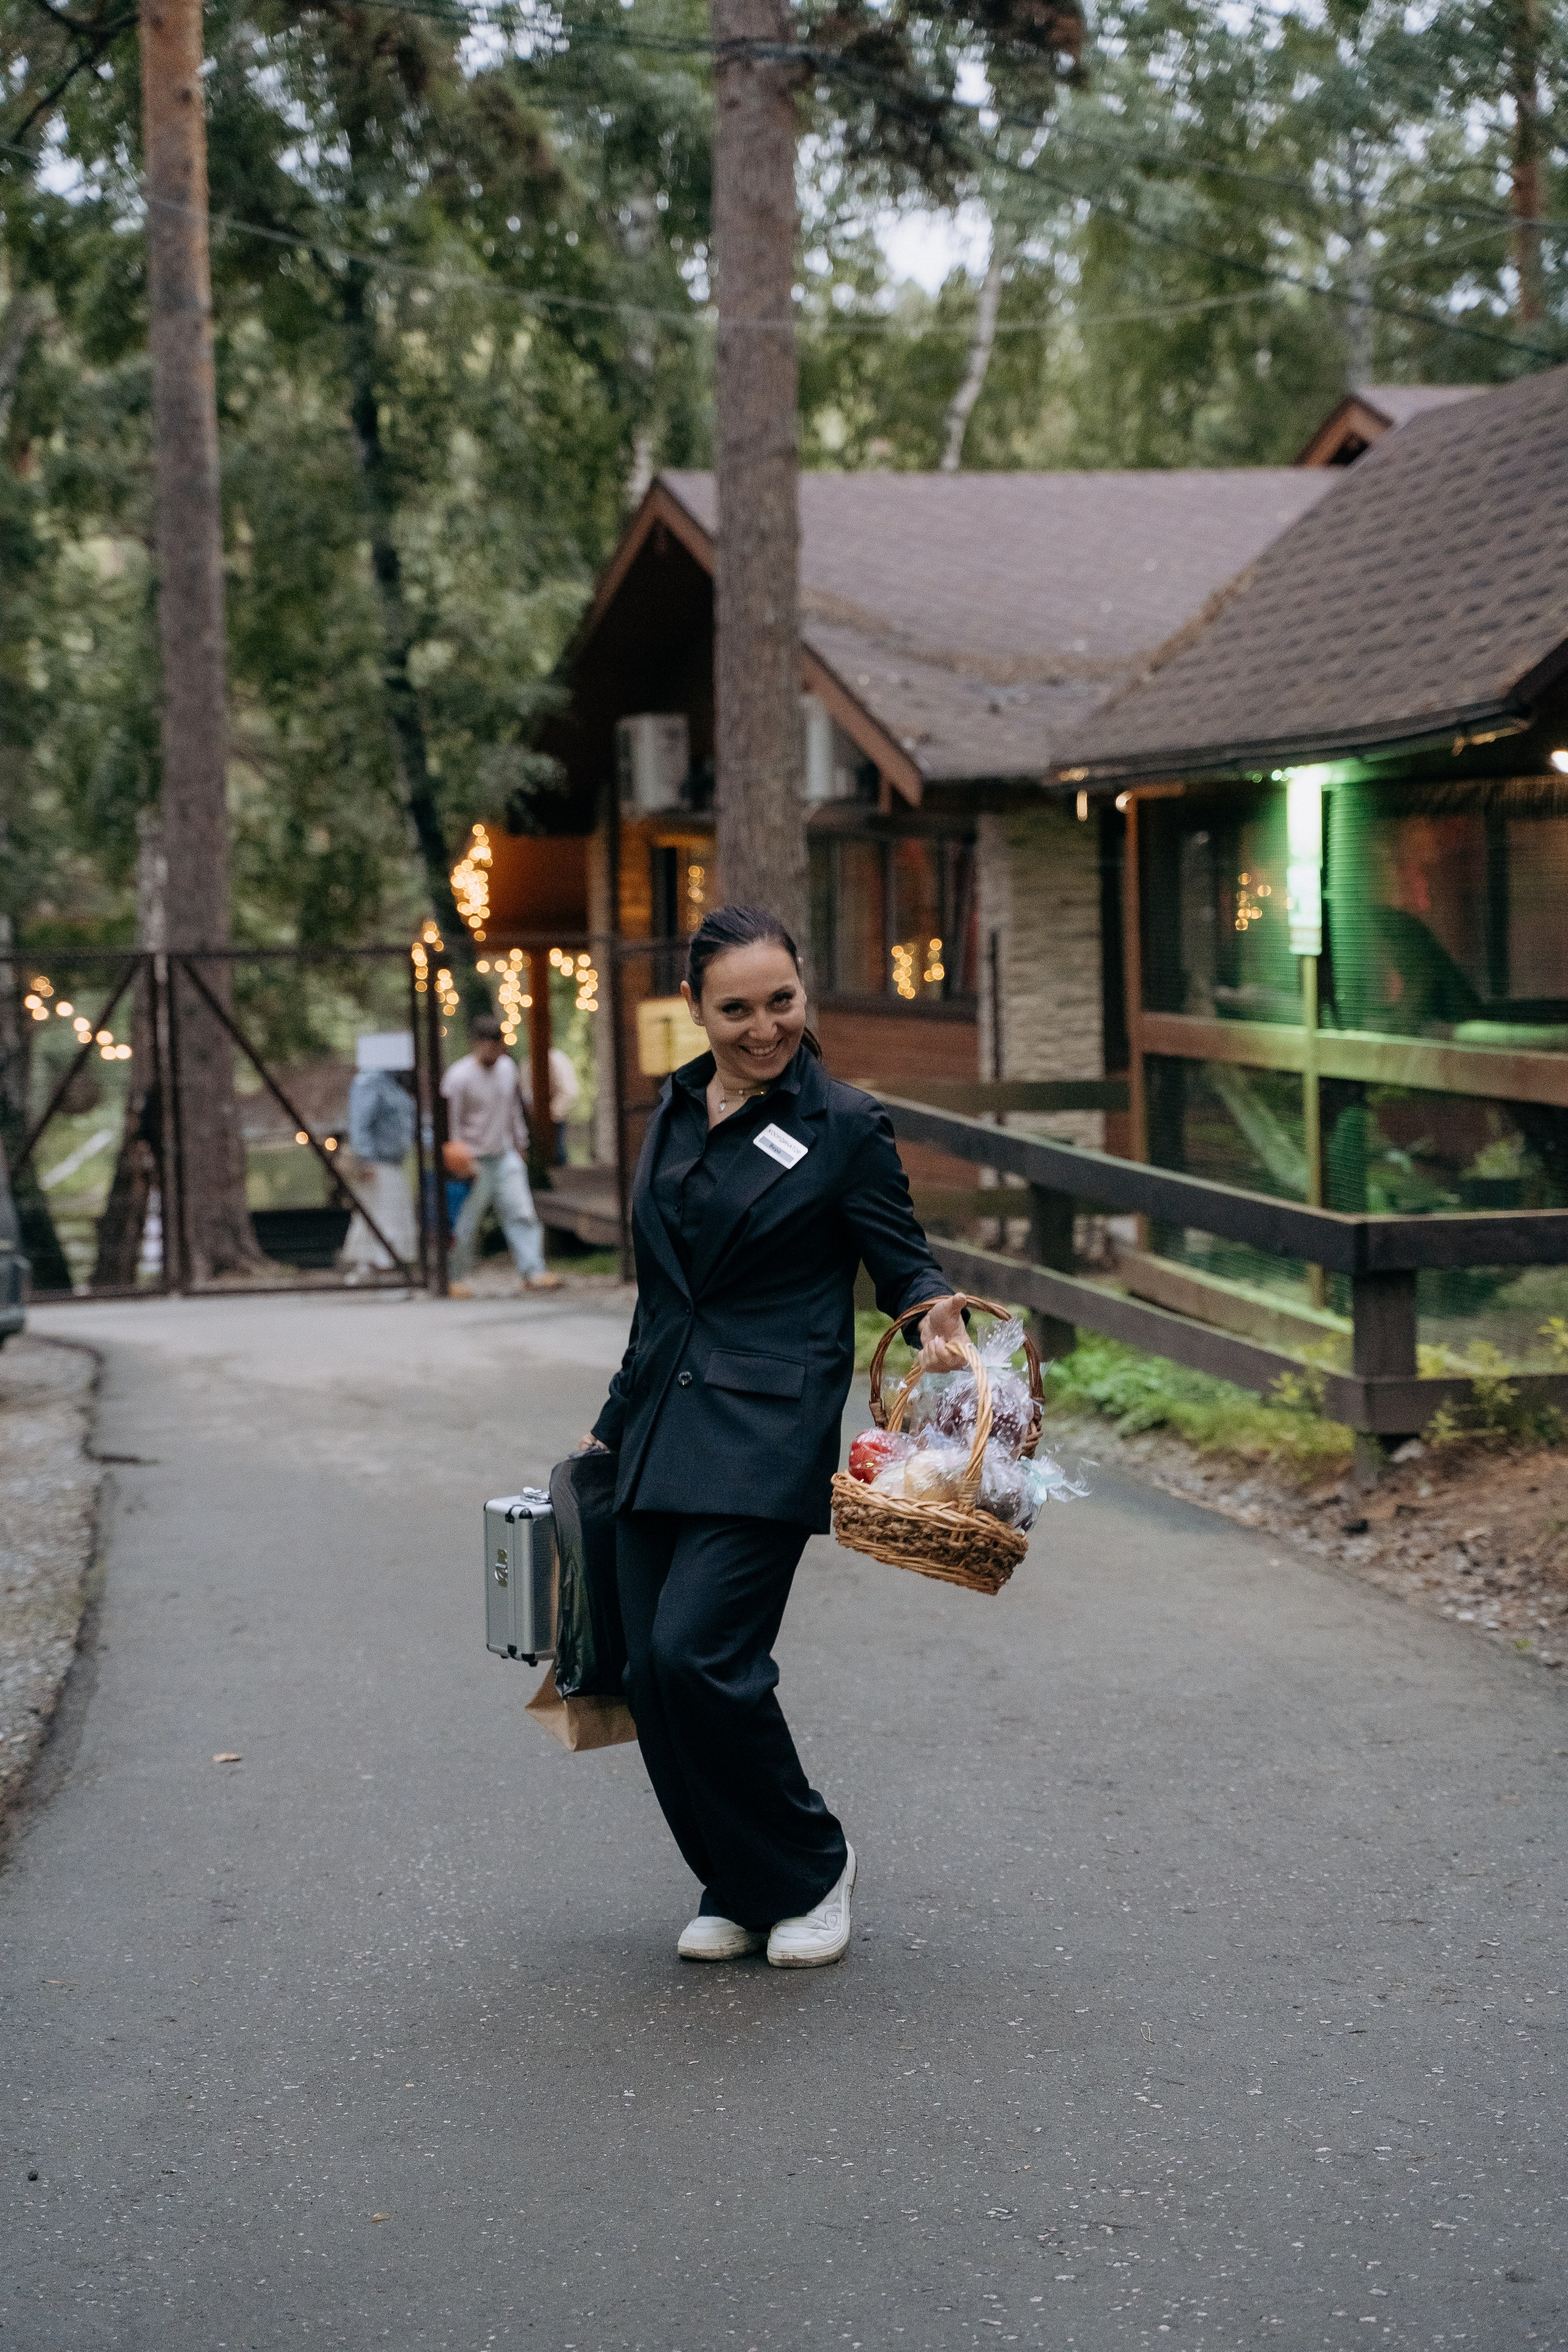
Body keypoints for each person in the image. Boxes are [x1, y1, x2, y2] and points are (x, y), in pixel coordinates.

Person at [582, 904, 966, 1969]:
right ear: (698, 1011)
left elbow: (901, 1258)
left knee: (698, 1652)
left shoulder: (842, 1123)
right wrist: (613, 1423)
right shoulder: (670, 1113)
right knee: (646, 1674)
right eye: (737, 1008)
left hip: (767, 1423)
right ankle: (737, 1882)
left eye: (782, 1001)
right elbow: (663, 1297)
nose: (764, 1028)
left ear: (807, 994)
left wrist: (932, 1307)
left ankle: (810, 1865)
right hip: (660, 1422)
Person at [441, 1014, 562, 1295]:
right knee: (467, 1220)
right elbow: (451, 1121)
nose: (495, 1051)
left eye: (499, 1045)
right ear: (476, 1045)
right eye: (489, 1045)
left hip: (505, 1153)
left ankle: (532, 1271)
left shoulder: (508, 1069)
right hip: (472, 1157)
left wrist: (521, 1145)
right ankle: (454, 1277)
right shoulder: (458, 1077)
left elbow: (513, 1109)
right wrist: (457, 1156)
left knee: (522, 1211)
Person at [340, 1034, 418, 1280]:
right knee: (387, 1218)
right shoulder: (370, 1082)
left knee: (376, 1216)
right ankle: (387, 1271)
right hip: (378, 1162)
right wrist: (366, 1158)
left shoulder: (393, 1083)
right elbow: (360, 1124)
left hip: (392, 1161)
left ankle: (365, 1271)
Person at [519, 1043, 581, 1167]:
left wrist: (552, 1113)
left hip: (555, 1116)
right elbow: (526, 1090)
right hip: (534, 1118)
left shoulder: (557, 1061)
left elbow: (568, 1091)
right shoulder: (528, 1062)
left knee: (557, 1151)